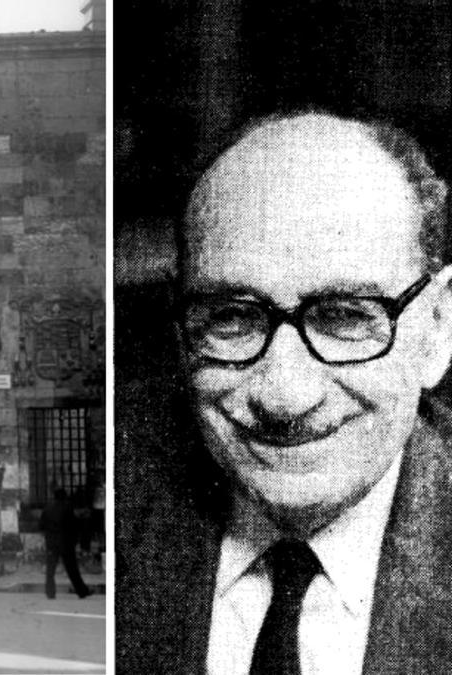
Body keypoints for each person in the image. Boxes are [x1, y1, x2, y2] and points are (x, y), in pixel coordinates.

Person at [116, 111, 452, 673]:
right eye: (232, 318)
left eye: (345, 317)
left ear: (439, 327)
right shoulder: (123, 501)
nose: (284, 396)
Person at [39, 489, 91, 599]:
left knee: (50, 569)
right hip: (66, 542)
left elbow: (41, 526)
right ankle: (82, 591)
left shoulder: (47, 508)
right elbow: (74, 526)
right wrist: (76, 540)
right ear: (64, 497)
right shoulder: (68, 507)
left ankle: (50, 593)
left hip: (51, 543)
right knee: (72, 569)